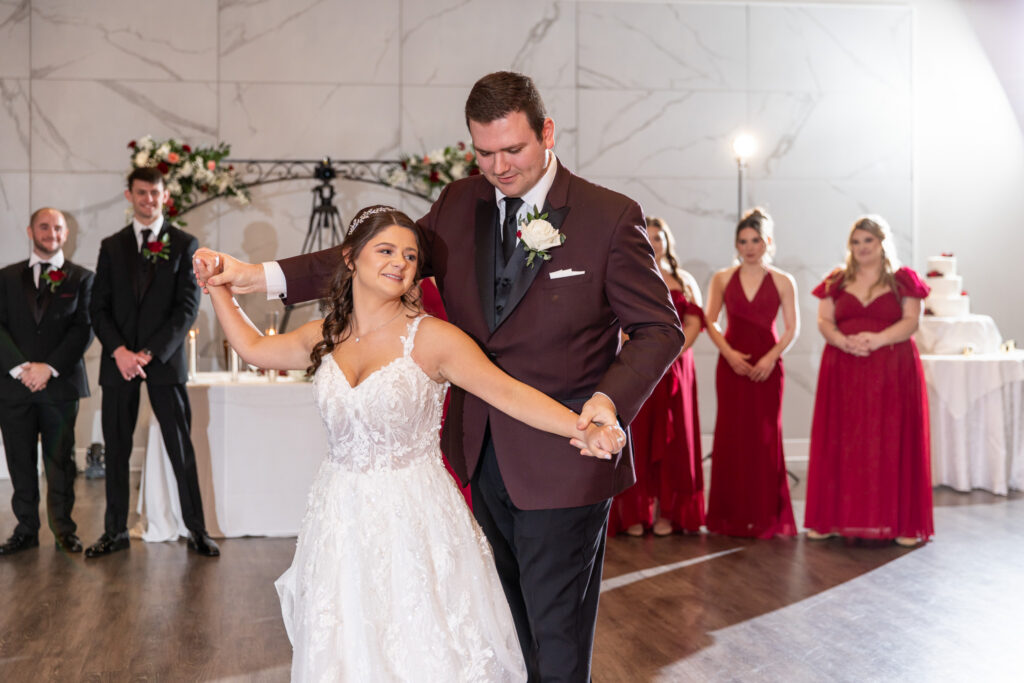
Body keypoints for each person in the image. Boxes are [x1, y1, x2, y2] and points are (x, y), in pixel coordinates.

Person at [195, 71, 684, 680]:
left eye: (514, 150)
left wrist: (608, 404)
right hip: (476, 457)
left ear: (547, 133)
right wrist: (255, 276)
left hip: (565, 454)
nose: (499, 167)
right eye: (484, 153)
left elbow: (661, 329)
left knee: (555, 636)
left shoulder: (609, 217)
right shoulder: (460, 203)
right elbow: (372, 251)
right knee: (495, 630)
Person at [198, 205, 625, 680]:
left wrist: (583, 428)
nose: (400, 262)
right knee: (347, 642)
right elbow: (255, 349)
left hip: (415, 517)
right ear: (350, 259)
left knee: (419, 644)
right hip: (339, 515)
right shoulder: (326, 334)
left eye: (409, 255)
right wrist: (217, 285)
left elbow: (506, 393)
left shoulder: (434, 339)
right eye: (385, 250)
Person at [85, 167, 218, 558]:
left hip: (163, 361)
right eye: (141, 193)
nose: (148, 200)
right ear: (129, 196)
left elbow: (187, 308)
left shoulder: (184, 243)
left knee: (181, 447)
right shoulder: (111, 246)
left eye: (154, 193)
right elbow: (98, 307)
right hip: (119, 361)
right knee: (117, 447)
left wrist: (150, 353)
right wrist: (121, 352)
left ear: (164, 195)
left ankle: (196, 530)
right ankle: (114, 532)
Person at [804, 216, 933, 547]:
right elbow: (823, 319)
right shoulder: (836, 280)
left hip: (892, 369)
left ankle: (900, 523)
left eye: (868, 241)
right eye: (856, 242)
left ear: (882, 242)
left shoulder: (903, 280)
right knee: (844, 440)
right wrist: (840, 340)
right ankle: (832, 519)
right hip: (843, 367)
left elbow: (911, 321)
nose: (861, 247)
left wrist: (876, 339)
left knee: (891, 438)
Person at [0, 208, 94, 555]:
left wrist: (48, 367)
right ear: (30, 231)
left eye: (57, 227)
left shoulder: (83, 278)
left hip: (59, 385)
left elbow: (84, 328)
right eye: (44, 226)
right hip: (14, 386)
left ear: (66, 234)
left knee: (61, 462)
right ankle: (25, 529)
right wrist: (21, 367)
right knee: (19, 460)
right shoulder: (6, 277)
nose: (50, 232)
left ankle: (63, 530)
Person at [704, 208, 799, 538]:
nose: (748, 246)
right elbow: (710, 321)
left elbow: (791, 329)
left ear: (767, 242)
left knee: (764, 437)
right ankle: (728, 517)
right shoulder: (722, 278)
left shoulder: (784, 281)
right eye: (742, 241)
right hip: (732, 367)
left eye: (755, 240)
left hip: (767, 369)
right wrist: (729, 354)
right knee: (731, 436)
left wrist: (770, 359)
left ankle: (763, 517)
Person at [609, 217, 706, 537]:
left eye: (658, 238)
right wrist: (646, 353)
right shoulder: (628, 275)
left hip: (677, 368)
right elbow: (616, 322)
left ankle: (669, 513)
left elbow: (694, 322)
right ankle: (635, 513)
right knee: (639, 438)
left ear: (668, 242)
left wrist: (670, 353)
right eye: (647, 238)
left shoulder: (685, 279)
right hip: (641, 366)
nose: (654, 243)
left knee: (675, 440)